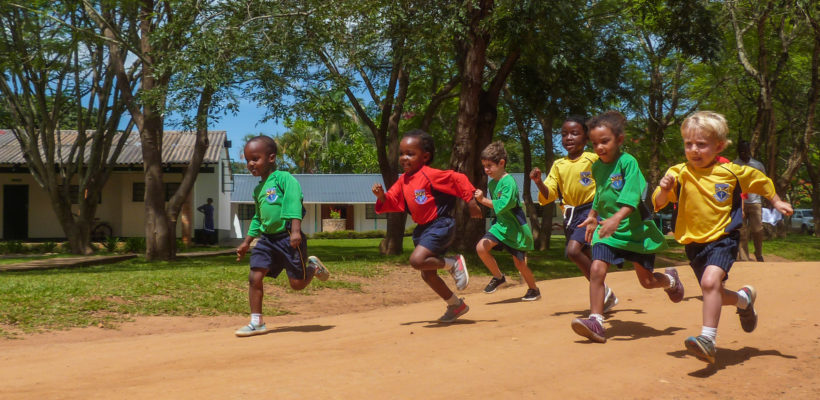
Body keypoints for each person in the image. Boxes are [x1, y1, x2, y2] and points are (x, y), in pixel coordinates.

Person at [653, 111, 793, 363]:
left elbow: (761, 182)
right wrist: (664, 190)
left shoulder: (731, 172)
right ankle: (743, 300)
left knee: (709, 284)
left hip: (723, 237)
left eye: (701, 144)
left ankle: (708, 339)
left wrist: (777, 201)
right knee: (714, 290)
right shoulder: (678, 173)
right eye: (688, 144)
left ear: (718, 146)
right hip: (693, 243)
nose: (694, 150)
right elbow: (658, 203)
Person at [571, 111, 682, 343]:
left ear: (619, 140)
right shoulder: (597, 168)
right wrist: (593, 215)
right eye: (595, 143)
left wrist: (616, 218)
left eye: (605, 141)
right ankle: (596, 322)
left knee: (648, 282)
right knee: (596, 270)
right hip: (607, 232)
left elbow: (632, 197)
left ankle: (671, 281)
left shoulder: (627, 162)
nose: (599, 147)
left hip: (634, 232)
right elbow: (600, 195)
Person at [372, 129, 483, 323]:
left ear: (425, 157)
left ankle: (453, 263)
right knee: (427, 274)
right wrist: (382, 197)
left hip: (440, 224)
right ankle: (456, 305)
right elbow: (392, 200)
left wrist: (471, 201)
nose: (404, 158)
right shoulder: (402, 180)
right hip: (423, 229)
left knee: (416, 260)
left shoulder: (429, 174)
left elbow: (458, 179)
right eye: (401, 153)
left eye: (410, 154)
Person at [234, 135, 330, 337]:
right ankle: (256, 322)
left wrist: (295, 230)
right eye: (248, 160)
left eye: (255, 159)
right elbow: (258, 218)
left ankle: (312, 267)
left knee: (296, 284)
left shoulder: (284, 178)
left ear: (271, 158)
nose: (251, 164)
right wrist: (246, 242)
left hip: (288, 236)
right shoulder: (258, 189)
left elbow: (294, 201)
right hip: (267, 240)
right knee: (255, 275)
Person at [530, 116, 619, 312]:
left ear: (586, 139)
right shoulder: (558, 165)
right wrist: (538, 183)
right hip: (570, 214)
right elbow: (550, 194)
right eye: (564, 134)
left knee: (573, 251)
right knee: (585, 256)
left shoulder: (593, 159)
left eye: (574, 133)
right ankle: (605, 295)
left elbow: (609, 180)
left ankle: (601, 298)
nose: (568, 137)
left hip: (591, 210)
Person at [474, 141, 539, 301]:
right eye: (484, 166)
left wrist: (482, 200)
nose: (486, 169)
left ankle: (534, 289)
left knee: (520, 264)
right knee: (481, 248)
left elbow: (502, 206)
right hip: (500, 226)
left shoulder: (508, 182)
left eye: (489, 165)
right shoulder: (493, 183)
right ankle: (498, 276)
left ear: (501, 163)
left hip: (515, 228)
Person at [734, 140, 767, 261]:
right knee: (742, 231)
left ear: (750, 151)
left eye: (746, 151)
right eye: (741, 151)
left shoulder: (758, 165)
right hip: (739, 203)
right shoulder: (734, 165)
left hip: (755, 201)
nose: (744, 153)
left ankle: (758, 253)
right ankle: (744, 258)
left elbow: (764, 183)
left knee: (758, 229)